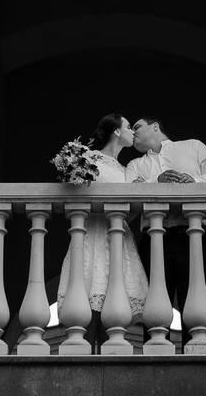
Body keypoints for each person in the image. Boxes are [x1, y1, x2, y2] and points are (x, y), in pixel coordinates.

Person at [63, 113, 147, 317]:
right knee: (87, 304)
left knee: (116, 309)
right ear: (117, 131)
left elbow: (127, 215)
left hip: (119, 237)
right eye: (129, 127)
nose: (133, 132)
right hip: (92, 234)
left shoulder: (127, 170)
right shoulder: (88, 159)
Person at [126, 117, 206, 184]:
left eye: (137, 128)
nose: (132, 133)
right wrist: (156, 181)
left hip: (194, 213)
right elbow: (128, 194)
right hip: (154, 215)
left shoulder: (193, 145)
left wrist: (195, 180)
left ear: (155, 126)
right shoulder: (134, 165)